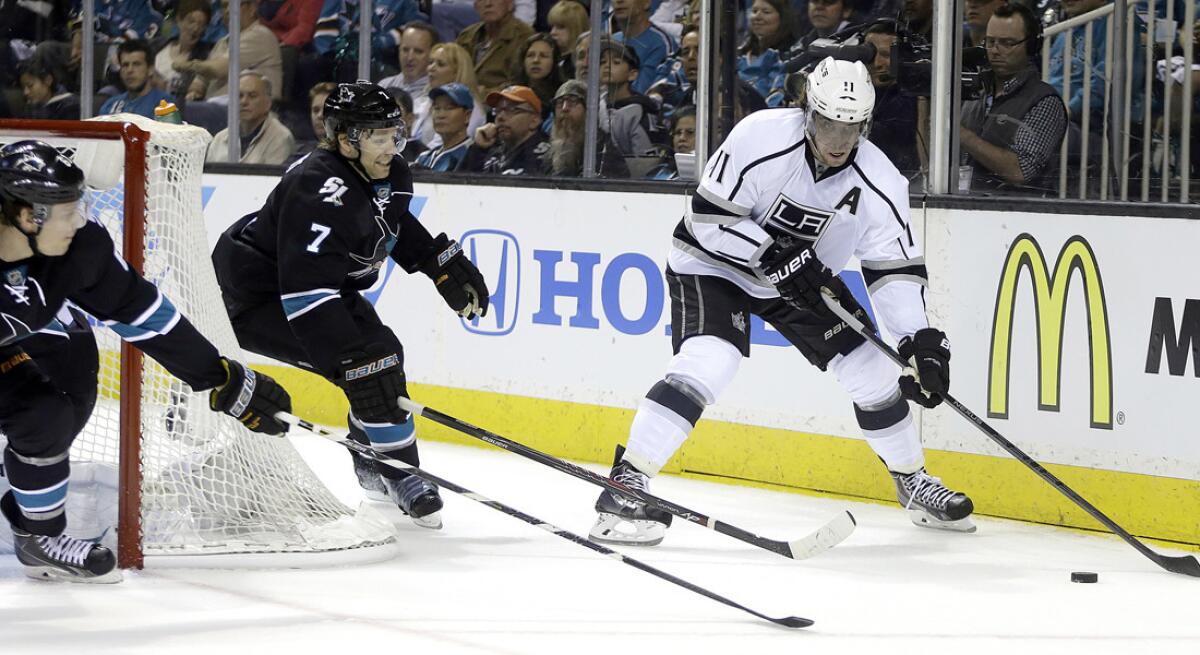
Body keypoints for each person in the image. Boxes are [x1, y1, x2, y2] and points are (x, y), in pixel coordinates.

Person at [589, 57, 975, 548]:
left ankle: (913, 481)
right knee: (711, 360)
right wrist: (771, 253)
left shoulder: (881, 180)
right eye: (828, 122)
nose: (838, 140)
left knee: (873, 371)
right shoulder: (760, 137)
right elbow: (708, 217)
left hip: (801, 284)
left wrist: (916, 339)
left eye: (851, 127)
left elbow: (892, 267)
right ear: (807, 109)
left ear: (866, 125)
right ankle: (626, 483)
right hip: (715, 266)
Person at [0, 140, 292, 582]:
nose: (78, 222)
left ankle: (38, 535)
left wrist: (217, 376)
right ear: (27, 215)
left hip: (20, 336)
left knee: (52, 407)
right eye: (66, 212)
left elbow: (141, 311)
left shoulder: (81, 249)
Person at [212, 82, 488, 529]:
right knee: (369, 364)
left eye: (394, 134)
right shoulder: (316, 187)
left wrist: (438, 262)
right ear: (346, 140)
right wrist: (349, 362)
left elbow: (388, 220)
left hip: (324, 286)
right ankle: (401, 473)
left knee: (385, 356)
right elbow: (304, 293)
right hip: (261, 299)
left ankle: (373, 460)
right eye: (378, 137)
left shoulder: (389, 171)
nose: (391, 146)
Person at [960, 3, 1067, 195]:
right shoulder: (976, 94)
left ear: (1032, 46)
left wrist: (961, 135)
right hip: (965, 209)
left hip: (1019, 217)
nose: (994, 50)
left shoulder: (1045, 101)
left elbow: (1021, 171)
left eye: (1007, 43)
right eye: (990, 42)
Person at [185, 0, 283, 102]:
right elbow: (202, 78)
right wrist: (195, 90)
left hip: (246, 112)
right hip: (216, 109)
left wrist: (185, 65)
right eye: (224, 6)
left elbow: (216, 69)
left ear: (252, 8)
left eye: (234, 5)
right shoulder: (222, 42)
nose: (227, 10)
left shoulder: (260, 35)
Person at [862, 20, 922, 178]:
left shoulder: (912, 99)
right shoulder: (857, 88)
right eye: (869, 53)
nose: (876, 63)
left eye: (886, 55)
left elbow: (887, 137)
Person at [542, 80, 630, 177]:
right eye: (559, 103)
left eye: (572, 102)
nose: (564, 108)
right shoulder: (550, 155)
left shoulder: (604, 152)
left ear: (589, 111)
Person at [207, 72, 296, 165]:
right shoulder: (220, 138)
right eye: (239, 96)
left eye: (252, 96)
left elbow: (275, 178)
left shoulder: (281, 138)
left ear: (268, 103)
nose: (244, 102)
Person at [460, 85, 549, 175]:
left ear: (534, 120)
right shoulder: (491, 151)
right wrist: (478, 148)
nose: (500, 117)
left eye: (512, 110)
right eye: (497, 111)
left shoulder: (548, 157)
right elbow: (459, 183)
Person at [455, 0, 536, 96]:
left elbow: (522, 83)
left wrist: (486, 93)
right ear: (476, 6)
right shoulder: (466, 35)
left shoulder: (524, 37)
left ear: (510, 4)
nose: (488, 3)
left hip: (503, 103)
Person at [379, 22, 441, 142]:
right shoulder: (383, 86)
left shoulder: (436, 95)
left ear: (432, 54)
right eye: (405, 50)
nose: (410, 57)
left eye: (418, 51)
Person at [418, 43, 487, 149]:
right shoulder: (424, 100)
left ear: (457, 71)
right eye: (430, 62)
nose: (431, 68)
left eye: (440, 64)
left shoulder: (472, 107)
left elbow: (454, 145)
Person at [737, 0, 796, 108]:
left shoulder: (791, 57)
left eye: (766, 12)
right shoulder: (739, 54)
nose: (757, 17)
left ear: (782, 18)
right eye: (754, 11)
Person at [610, 0, 676, 95]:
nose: (619, 1)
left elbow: (643, 91)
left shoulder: (660, 43)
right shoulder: (611, 41)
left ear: (646, 3)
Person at [98, 40, 177, 119]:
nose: (129, 70)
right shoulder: (109, 106)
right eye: (125, 65)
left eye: (136, 64)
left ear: (150, 69)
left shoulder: (165, 105)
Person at [155, 0, 214, 100]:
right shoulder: (157, 46)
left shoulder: (205, 56)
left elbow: (197, 88)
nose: (195, 28)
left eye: (201, 24)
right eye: (191, 21)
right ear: (179, 20)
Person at [415, 83, 475, 172]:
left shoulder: (472, 156)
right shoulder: (423, 158)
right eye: (437, 108)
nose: (441, 115)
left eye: (449, 108)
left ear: (467, 116)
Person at [511, 33, 567, 118]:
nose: (536, 60)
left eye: (544, 56)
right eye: (530, 55)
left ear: (554, 62)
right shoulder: (511, 92)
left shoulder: (562, 96)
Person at [645, 104, 695, 180]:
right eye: (678, 132)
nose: (682, 138)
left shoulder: (713, 177)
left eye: (690, 132)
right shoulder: (660, 173)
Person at [547, 0, 590, 78]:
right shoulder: (550, 61)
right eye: (552, 27)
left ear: (576, 28)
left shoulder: (582, 63)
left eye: (560, 27)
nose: (552, 32)